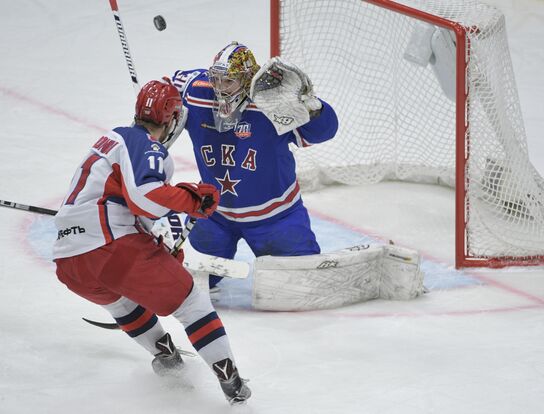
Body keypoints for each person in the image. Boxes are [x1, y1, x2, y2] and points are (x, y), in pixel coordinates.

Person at [52, 79, 251, 405]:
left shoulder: (110, 140)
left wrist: (159, 248)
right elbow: (146, 199)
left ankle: (167, 358)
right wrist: (190, 199)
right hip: (110, 247)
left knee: (121, 302)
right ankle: (229, 376)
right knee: (192, 304)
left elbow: (134, 209)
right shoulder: (144, 144)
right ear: (171, 119)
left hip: (69, 261)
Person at [170, 41, 339, 289]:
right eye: (216, 79)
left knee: (299, 284)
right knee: (194, 283)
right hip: (213, 214)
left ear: (248, 78)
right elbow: (169, 84)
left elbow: (323, 132)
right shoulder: (197, 92)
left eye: (228, 81)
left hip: (275, 218)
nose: (220, 88)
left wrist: (311, 106)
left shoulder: (273, 103)